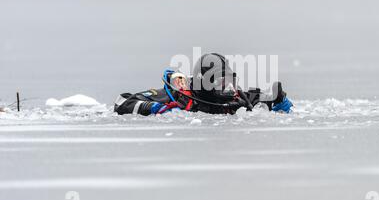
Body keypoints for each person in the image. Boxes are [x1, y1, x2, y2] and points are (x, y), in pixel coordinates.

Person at [114, 53, 293, 116]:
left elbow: (267, 99)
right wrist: (154, 108)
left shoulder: (236, 99)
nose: (228, 88)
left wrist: (278, 101)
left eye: (229, 81)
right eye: (220, 83)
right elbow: (122, 102)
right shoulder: (180, 98)